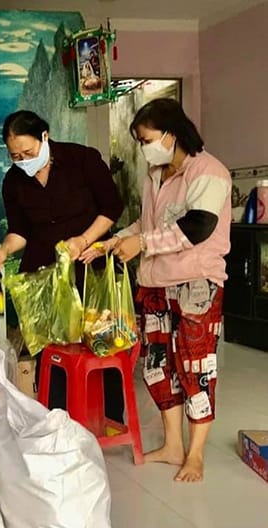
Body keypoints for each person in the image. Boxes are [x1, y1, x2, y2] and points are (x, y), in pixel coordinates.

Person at [82, 98, 230, 483]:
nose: (145, 147)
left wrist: (143, 244)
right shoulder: (155, 174)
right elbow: (146, 224)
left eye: (147, 139)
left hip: (195, 284)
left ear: (172, 133)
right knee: (158, 367)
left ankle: (195, 454)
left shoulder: (208, 171)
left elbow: (197, 226)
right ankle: (172, 444)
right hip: (154, 285)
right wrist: (112, 242)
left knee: (195, 368)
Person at [0, 109, 124, 421]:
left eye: (28, 152)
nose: (22, 160)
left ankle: (108, 419)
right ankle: (57, 419)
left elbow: (112, 207)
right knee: (52, 353)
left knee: (102, 345)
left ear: (44, 137)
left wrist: (84, 240)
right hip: (44, 277)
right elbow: (20, 231)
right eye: (15, 155)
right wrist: (4, 250)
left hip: (90, 268)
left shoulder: (82, 160)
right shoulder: (14, 181)